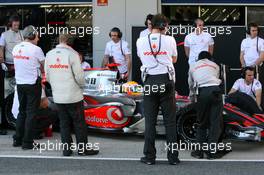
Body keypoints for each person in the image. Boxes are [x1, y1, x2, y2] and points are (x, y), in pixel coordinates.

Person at [45, 32, 99, 156]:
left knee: (64, 123)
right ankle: (82, 149)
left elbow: (47, 76)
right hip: (73, 95)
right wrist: (82, 86)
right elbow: (79, 76)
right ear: (71, 42)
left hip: (58, 95)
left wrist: (56, 86)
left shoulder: (49, 54)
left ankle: (66, 150)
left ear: (59, 40)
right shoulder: (73, 54)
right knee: (79, 123)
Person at [136, 14, 179, 165]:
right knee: (170, 122)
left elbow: (141, 57)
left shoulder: (140, 41)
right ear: (163, 26)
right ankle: (173, 158)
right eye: (166, 26)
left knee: (150, 122)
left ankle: (149, 157)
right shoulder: (170, 40)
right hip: (166, 81)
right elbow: (174, 59)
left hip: (150, 82)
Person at [12, 25, 44, 149]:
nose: (38, 38)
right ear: (32, 36)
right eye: (37, 36)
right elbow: (43, 66)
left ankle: (17, 139)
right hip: (32, 83)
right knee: (31, 113)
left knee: (22, 111)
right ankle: (27, 142)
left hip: (20, 83)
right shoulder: (36, 49)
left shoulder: (16, 48)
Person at [188, 51, 225, 159]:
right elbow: (216, 78)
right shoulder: (215, 66)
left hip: (203, 92)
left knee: (202, 122)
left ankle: (199, 152)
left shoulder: (193, 66)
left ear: (198, 59)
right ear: (210, 58)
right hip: (216, 91)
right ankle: (211, 152)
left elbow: (191, 83)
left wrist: (192, 97)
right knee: (215, 123)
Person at [0, 15, 24, 134]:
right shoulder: (4, 35)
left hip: (20, 65)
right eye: (15, 25)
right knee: (7, 93)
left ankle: (14, 119)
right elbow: (1, 49)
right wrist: (2, 62)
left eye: (18, 25)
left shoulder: (21, 34)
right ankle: (5, 121)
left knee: (17, 93)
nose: (16, 27)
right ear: (10, 24)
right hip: (8, 66)